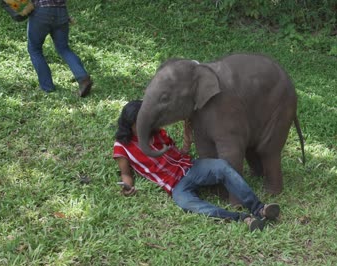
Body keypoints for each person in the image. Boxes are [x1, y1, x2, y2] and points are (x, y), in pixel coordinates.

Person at [112, 100, 281, 232]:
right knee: (190, 205)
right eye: (138, 123)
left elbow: (180, 153)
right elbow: (126, 173)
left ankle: (259, 208)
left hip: (191, 168)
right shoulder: (122, 146)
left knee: (222, 166)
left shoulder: (158, 133)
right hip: (176, 186)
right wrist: (127, 186)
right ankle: (243, 218)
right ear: (129, 124)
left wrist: (187, 137)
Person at [27, 0, 92, 97]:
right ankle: (83, 78)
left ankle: (47, 86)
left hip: (41, 11)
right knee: (64, 48)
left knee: (35, 50)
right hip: (61, 11)